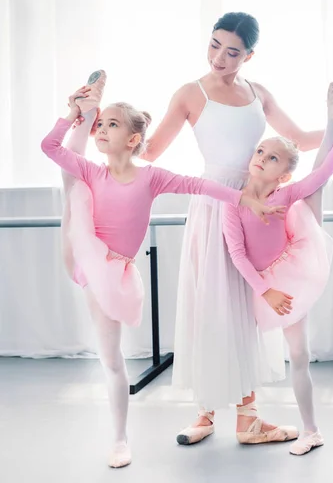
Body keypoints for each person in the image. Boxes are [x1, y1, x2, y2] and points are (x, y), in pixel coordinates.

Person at [41, 83, 280, 468]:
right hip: (89, 260)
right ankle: (120, 439)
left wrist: (245, 198)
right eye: (99, 123)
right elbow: (50, 149)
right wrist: (75, 116)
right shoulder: (90, 169)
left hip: (117, 269)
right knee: (72, 181)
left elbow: (199, 184)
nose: (103, 130)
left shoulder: (151, 177)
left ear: (133, 138)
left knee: (113, 359)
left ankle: (121, 437)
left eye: (111, 124)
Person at [222, 82, 333, 453]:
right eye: (261, 150)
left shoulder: (285, 193)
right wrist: (264, 290)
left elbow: (322, 172)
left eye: (272, 159)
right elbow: (237, 254)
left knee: (299, 355)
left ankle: (311, 429)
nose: (261, 157)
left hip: (292, 272)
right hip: (264, 285)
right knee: (242, 345)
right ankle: (222, 411)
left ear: (282, 175)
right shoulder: (232, 203)